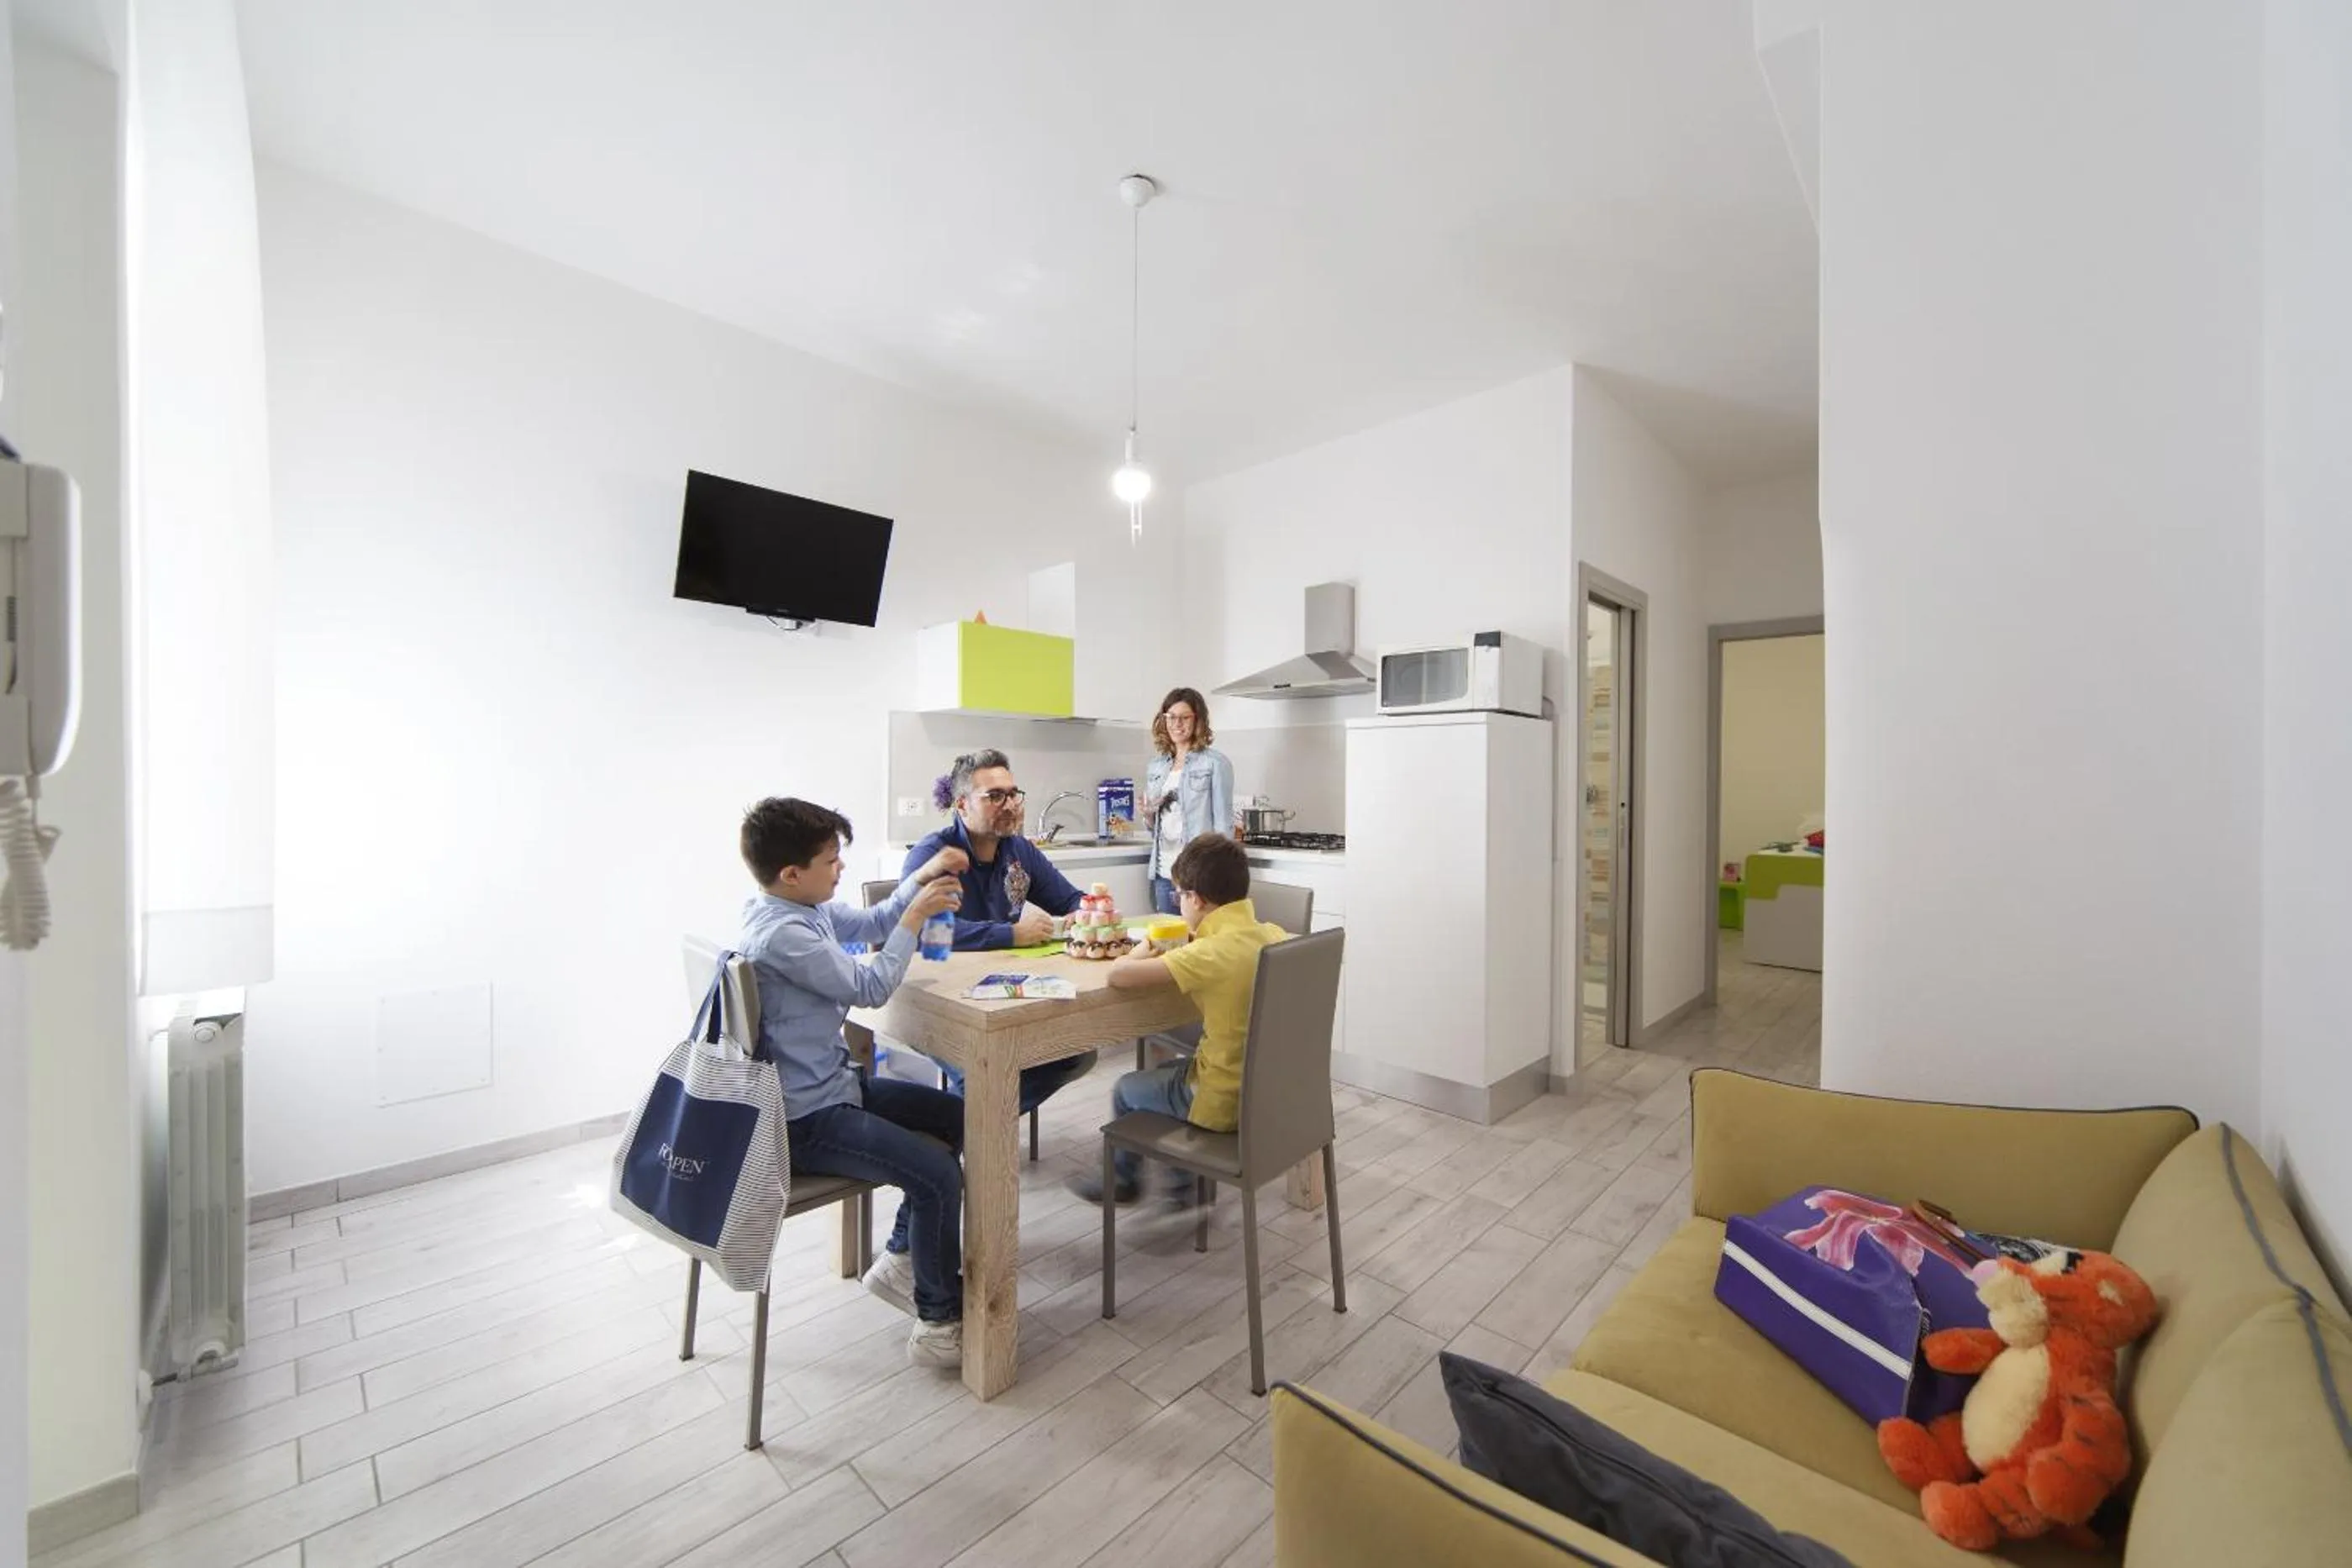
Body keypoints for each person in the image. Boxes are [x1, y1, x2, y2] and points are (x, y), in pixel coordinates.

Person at [734, 797, 971, 1367]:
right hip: (805, 1120)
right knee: (938, 1175)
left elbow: (869, 924)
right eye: (831, 860)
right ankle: (939, 1322)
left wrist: (919, 879)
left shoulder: (800, 909)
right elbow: (869, 990)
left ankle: (900, 1259)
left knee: (961, 1118)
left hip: (835, 1087)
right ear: (792, 875)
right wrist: (916, 919)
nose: (841, 869)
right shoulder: (783, 938)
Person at [1066, 834, 1288, 1206]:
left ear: (1196, 899)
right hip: (1269, 1094)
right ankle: (1188, 1184)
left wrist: (1145, 948)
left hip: (1221, 1099)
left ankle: (1129, 1182)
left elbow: (1118, 976)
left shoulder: (1206, 952)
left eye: (1179, 895)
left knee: (1125, 1089)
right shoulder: (1274, 935)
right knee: (1174, 1069)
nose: (1179, 904)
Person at [900, 749, 1097, 1113]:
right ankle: (971, 1137)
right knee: (985, 1070)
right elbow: (930, 933)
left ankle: (967, 1126)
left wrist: (1089, 909)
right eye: (994, 796)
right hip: (936, 999)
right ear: (962, 804)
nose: (1010, 805)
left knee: (1076, 1052)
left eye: (1013, 794)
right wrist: (1011, 934)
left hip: (1002, 993)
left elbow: (1068, 898)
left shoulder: (1018, 849)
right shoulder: (934, 855)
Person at [1144, 687, 1236, 916]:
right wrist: (1147, 814)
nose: (1177, 724)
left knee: (1200, 941)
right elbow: (1154, 826)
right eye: (1171, 717)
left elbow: (1224, 825)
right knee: (1168, 940)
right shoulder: (1156, 766)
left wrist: (1218, 871)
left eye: (1184, 717)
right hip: (1164, 870)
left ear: (1198, 721)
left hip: (1199, 872)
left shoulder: (1215, 763)